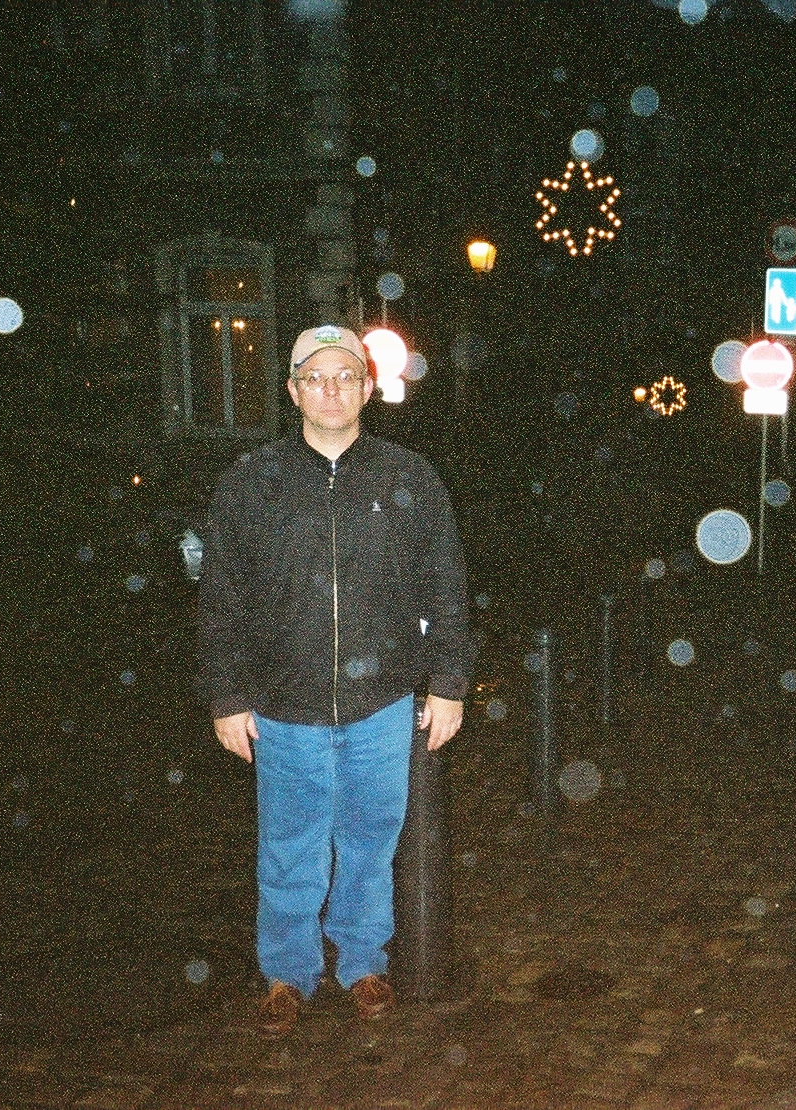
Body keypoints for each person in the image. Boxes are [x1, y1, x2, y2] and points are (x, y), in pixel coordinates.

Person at [198, 324, 475, 1037]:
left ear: (367, 388)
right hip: (283, 701)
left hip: (381, 700)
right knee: (289, 844)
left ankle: (362, 962)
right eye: (315, 377)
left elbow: (445, 586)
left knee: (369, 838)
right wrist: (227, 694)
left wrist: (449, 681)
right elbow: (222, 595)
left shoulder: (409, 477)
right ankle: (287, 974)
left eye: (345, 376)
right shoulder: (252, 481)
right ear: (292, 390)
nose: (331, 390)